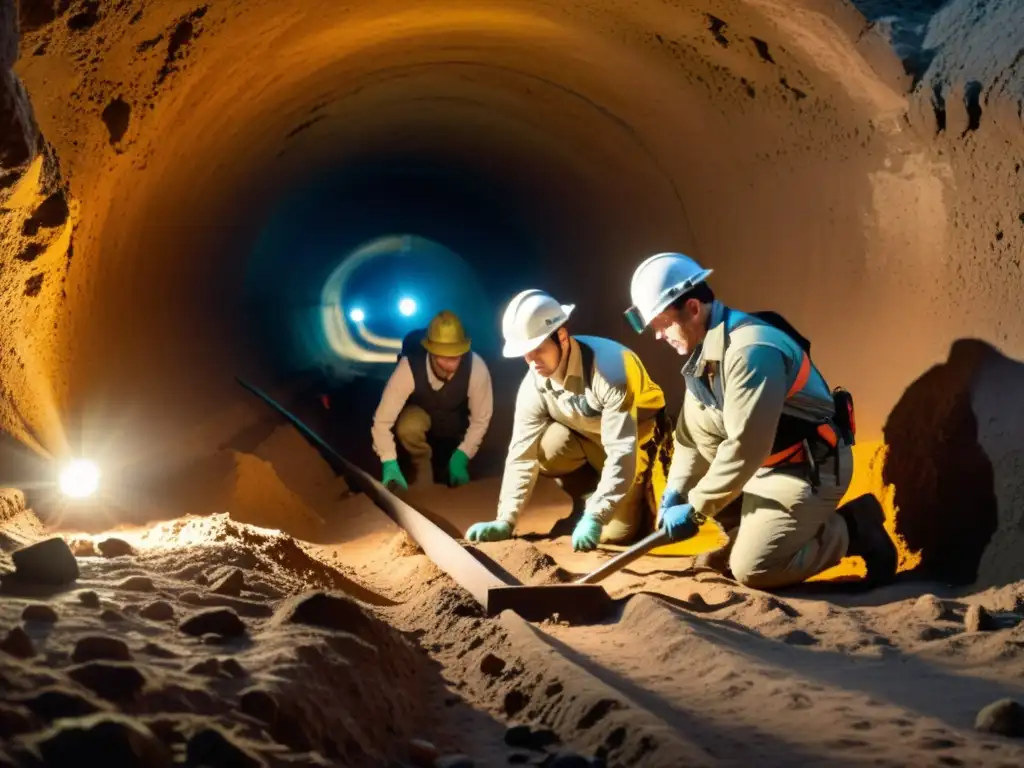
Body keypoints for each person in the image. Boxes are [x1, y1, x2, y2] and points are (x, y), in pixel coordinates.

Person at [623, 251, 898, 590]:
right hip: (761, 470)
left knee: (754, 570)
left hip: (806, 468)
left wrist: (694, 509)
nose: (658, 336)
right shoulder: (703, 353)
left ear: (693, 308)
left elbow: (745, 447)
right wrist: (677, 491)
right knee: (700, 451)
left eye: (662, 324)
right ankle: (743, 536)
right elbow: (691, 437)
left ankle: (854, 529)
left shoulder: (751, 352)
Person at [465, 289, 669, 552]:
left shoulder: (610, 371)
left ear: (561, 336)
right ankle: (586, 501)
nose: (532, 360)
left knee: (618, 533)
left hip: (640, 441)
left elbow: (622, 451)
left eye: (538, 349)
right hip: (591, 441)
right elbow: (522, 454)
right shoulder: (534, 383)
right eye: (525, 353)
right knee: (547, 448)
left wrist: (598, 515)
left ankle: (634, 501)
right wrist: (506, 519)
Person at [371, 309, 493, 490]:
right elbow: (382, 421)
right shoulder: (409, 368)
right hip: (422, 415)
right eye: (444, 357)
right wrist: (389, 462)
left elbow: (480, 419)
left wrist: (463, 455)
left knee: (453, 460)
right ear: (431, 352)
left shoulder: (476, 366)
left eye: (456, 356)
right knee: (409, 426)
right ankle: (422, 468)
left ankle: (452, 461)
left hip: (455, 421)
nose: (452, 363)